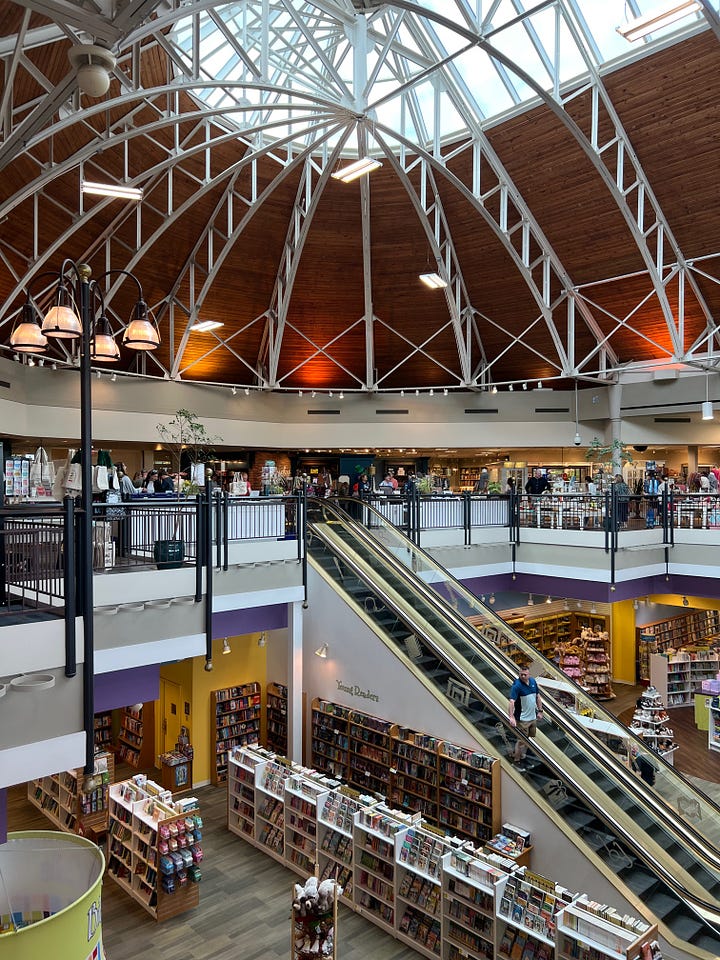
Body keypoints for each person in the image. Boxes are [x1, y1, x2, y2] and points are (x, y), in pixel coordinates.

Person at [508, 664, 543, 765]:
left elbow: (538, 696)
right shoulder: (517, 686)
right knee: (521, 740)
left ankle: (523, 756)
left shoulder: (532, 681)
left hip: (532, 717)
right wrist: (511, 717)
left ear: (529, 674)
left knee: (528, 739)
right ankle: (516, 760)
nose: (523, 676)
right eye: (521, 674)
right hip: (522, 719)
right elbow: (511, 702)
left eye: (525, 674)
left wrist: (540, 711)